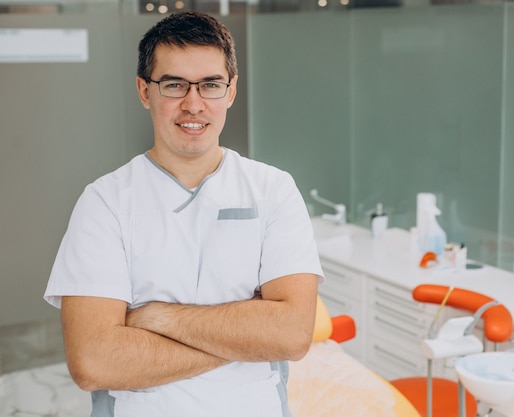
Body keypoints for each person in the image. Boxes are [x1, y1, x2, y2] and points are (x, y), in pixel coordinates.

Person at [44, 11, 323, 417]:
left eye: (210, 84)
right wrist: (246, 337)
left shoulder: (273, 190)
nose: (193, 105)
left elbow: (293, 335)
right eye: (174, 84)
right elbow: (94, 362)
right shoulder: (104, 202)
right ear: (144, 91)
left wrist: (158, 317)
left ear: (230, 92)